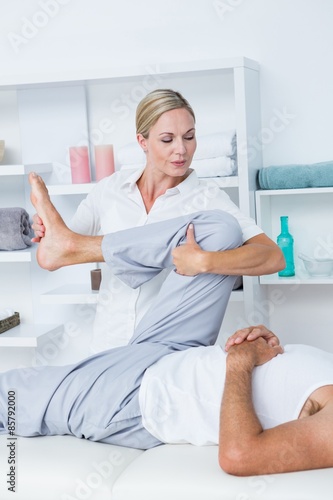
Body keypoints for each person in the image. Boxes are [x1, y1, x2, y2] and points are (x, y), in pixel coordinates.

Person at [1, 173, 333, 477]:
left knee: (11, 393)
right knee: (220, 229)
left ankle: (69, 247)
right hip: (173, 348)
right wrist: (263, 339)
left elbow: (240, 456)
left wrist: (242, 359)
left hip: (140, 396)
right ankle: (71, 247)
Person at [32, 89, 285, 353]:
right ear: (142, 141)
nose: (182, 150)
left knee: (222, 227)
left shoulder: (208, 199)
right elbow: (62, 249)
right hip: (107, 344)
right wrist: (47, 230)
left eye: (189, 137)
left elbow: (273, 257)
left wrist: (205, 261)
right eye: (167, 140)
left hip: (166, 349)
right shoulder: (110, 189)